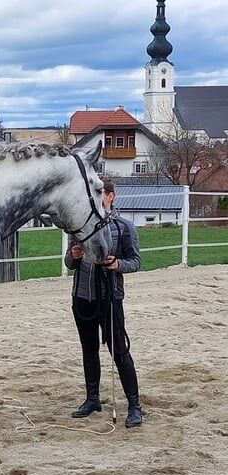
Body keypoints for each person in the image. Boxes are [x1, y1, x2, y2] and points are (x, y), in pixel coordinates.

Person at [64, 179, 143, 427]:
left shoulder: (124, 227)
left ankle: (134, 405)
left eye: (102, 194)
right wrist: (73, 256)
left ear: (111, 196)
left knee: (119, 351)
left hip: (109, 298)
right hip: (82, 298)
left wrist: (118, 265)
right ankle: (92, 398)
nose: (98, 199)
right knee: (89, 350)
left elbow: (136, 261)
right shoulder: (78, 228)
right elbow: (69, 263)